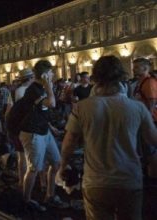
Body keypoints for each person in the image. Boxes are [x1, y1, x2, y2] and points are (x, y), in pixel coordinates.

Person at [60, 56, 157, 220]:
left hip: (96, 181)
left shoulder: (82, 108)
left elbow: (69, 143)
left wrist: (63, 166)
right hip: (129, 179)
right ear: (121, 78)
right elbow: (153, 140)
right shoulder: (137, 108)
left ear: (96, 78)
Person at [19, 60, 67, 211]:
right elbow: (51, 104)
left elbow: (42, 112)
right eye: (51, 72)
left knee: (56, 162)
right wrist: (49, 86)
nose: (53, 75)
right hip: (33, 133)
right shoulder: (34, 90)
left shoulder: (41, 88)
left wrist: (51, 128)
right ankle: (26, 200)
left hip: (44, 131)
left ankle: (50, 195)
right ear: (45, 75)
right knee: (34, 168)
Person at [133, 58, 157, 124]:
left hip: (152, 119)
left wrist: (148, 118)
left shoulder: (149, 82)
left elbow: (152, 101)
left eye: (136, 67)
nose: (133, 69)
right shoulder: (140, 82)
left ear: (145, 68)